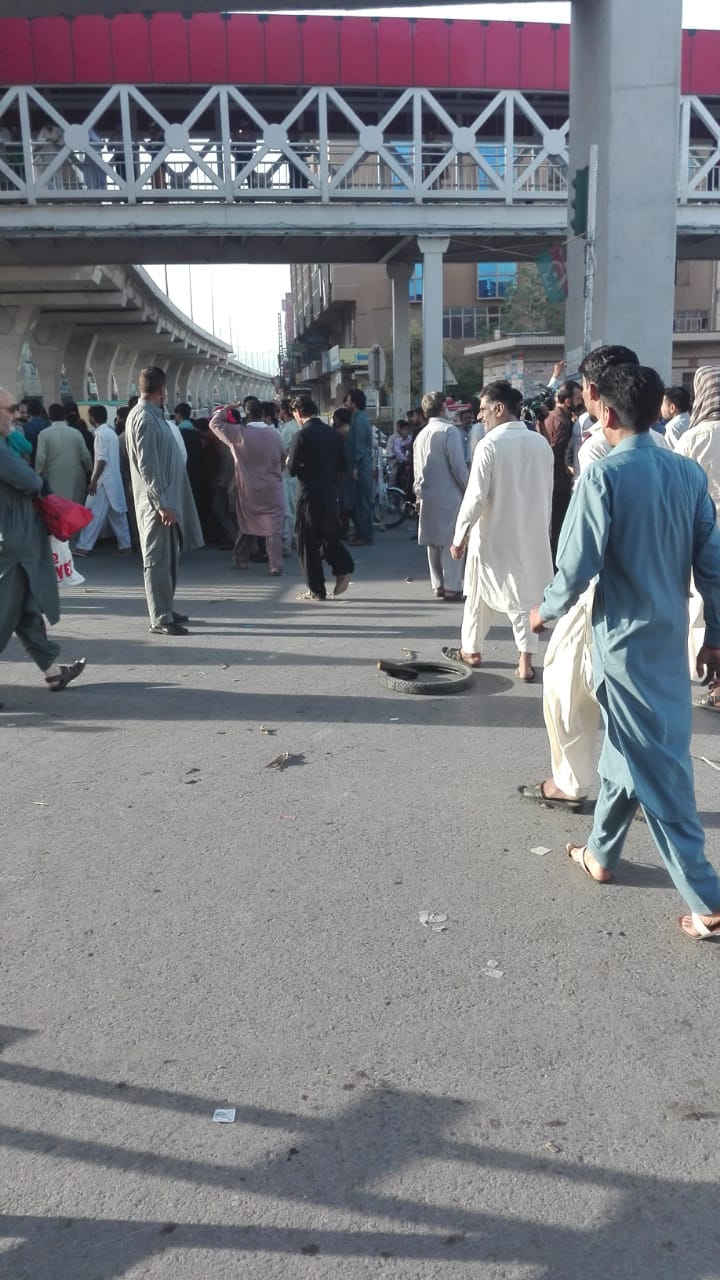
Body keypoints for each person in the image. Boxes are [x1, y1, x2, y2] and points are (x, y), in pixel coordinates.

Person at [530, 363, 720, 942]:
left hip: (623, 644)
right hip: (666, 641)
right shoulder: (687, 474)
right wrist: (713, 633)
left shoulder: (603, 477)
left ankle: (707, 898)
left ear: (605, 413)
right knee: (627, 750)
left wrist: (546, 609)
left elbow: (577, 564)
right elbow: (712, 565)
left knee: (660, 769)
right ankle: (600, 853)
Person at [518, 344, 672, 812]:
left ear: (592, 391)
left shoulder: (599, 456)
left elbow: (584, 551)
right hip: (661, 598)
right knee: (635, 705)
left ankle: (575, 785)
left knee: (568, 688)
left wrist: (548, 607)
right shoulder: (667, 450)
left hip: (602, 597)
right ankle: (639, 791)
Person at [446, 380, 553, 679]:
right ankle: (518, 659)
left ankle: (475, 649)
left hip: (493, 536)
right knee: (519, 596)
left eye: (483, 410)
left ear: (499, 408)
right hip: (530, 535)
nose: (480, 416)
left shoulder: (489, 445)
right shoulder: (540, 443)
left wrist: (460, 535)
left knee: (498, 594)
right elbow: (547, 492)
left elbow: (475, 496)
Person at [0, 386, 86, 693]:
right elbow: (29, 479)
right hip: (10, 543)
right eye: (10, 411)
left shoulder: (6, 442)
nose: (17, 415)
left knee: (25, 609)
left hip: (17, 538)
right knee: (5, 610)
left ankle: (52, 671)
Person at [125, 366, 203, 636]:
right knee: (157, 560)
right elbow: (148, 466)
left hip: (165, 502)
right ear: (162, 390)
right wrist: (160, 503)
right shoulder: (144, 418)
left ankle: (166, 608)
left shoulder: (150, 415)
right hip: (157, 505)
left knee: (168, 560)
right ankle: (159, 617)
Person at [675, 366, 720, 692]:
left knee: (703, 604)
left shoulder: (694, 437)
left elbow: (676, 493)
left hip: (704, 532)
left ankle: (708, 674)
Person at [287, 393, 354, 602]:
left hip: (308, 493)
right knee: (327, 534)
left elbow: (291, 469)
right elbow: (343, 465)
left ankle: (316, 588)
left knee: (307, 541)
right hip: (329, 490)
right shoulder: (333, 434)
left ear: (298, 412)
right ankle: (343, 566)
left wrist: (290, 459)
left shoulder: (301, 436)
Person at [210, 396, 285, 575]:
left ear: (247, 415)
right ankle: (275, 565)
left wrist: (228, 407)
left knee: (246, 524)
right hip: (272, 488)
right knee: (273, 528)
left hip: (247, 488)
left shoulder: (238, 433)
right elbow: (283, 460)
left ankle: (241, 557)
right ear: (263, 414)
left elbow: (214, 424)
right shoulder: (275, 434)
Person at [412, 390, 469, 602]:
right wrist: (470, 488)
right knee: (451, 541)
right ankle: (453, 586)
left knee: (433, 542)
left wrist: (418, 494)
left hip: (427, 494)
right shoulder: (449, 432)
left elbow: (417, 469)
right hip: (449, 494)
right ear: (443, 407)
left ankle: (438, 585)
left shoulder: (421, 435)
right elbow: (458, 466)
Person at [74, 405, 131, 556]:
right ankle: (125, 545)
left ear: (92, 417)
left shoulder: (100, 435)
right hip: (113, 480)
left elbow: (101, 460)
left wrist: (93, 481)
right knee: (117, 514)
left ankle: (83, 546)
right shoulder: (111, 433)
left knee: (93, 513)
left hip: (103, 481)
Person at [544, 379, 584, 562]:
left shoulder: (549, 416)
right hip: (558, 485)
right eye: (578, 399)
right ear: (568, 401)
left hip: (549, 483)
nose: (580, 402)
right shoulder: (563, 422)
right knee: (557, 531)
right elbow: (554, 454)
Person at [35, 403, 92, 505]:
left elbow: (40, 459)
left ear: (49, 416)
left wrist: (38, 475)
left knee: (57, 513)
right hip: (76, 480)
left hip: (53, 480)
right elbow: (86, 457)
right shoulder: (76, 433)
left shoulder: (43, 434)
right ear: (63, 416)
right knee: (75, 512)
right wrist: (90, 472)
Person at [344, 388, 374, 545]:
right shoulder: (356, 418)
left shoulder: (360, 420)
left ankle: (366, 536)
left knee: (362, 502)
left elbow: (360, 446)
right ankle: (361, 532)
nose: (346, 403)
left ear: (354, 403)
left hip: (360, 467)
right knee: (357, 501)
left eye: (348, 400)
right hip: (357, 466)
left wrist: (355, 466)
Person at [278, 397, 300, 557]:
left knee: (289, 510)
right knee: (295, 508)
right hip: (296, 473)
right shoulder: (296, 426)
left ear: (285, 411)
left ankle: (289, 542)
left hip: (287, 473)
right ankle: (295, 539)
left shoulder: (287, 429)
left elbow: (283, 452)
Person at [661, 385, 692, 449]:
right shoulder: (693, 421)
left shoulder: (673, 428)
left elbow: (673, 454)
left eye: (662, 405)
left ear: (672, 408)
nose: (660, 409)